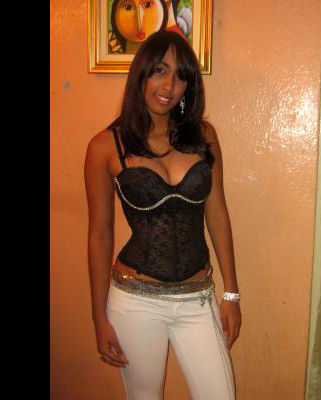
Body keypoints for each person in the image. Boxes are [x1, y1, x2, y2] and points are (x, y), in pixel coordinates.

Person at [84, 30, 241, 400]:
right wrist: (98, 317)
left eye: (180, 75)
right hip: (134, 299)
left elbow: (218, 214)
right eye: (159, 70)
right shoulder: (104, 147)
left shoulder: (204, 137)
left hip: (197, 296)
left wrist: (232, 295)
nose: (169, 85)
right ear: (141, 73)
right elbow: (100, 234)